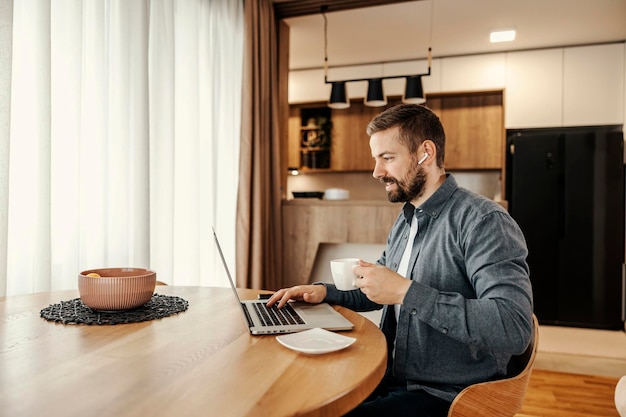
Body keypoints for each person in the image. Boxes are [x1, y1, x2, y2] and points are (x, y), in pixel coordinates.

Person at [267, 103, 533, 417]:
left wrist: (406, 292)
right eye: (376, 159)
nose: (377, 172)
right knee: (302, 398)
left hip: (450, 395)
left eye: (387, 158)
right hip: (394, 375)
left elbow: (513, 326)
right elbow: (381, 288)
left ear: (426, 153)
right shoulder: (407, 219)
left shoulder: (483, 221)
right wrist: (323, 292)